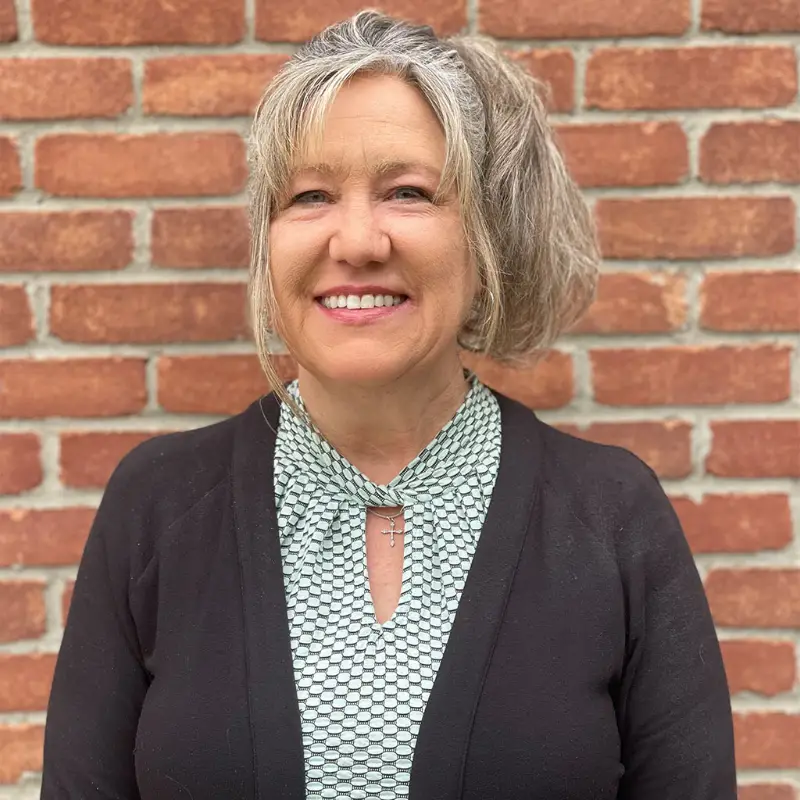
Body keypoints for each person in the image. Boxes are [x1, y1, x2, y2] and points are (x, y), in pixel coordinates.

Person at [41, 10, 736, 800]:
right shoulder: (159, 506)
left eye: (408, 192)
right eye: (310, 195)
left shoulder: (612, 517)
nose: (357, 242)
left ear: (490, 238)